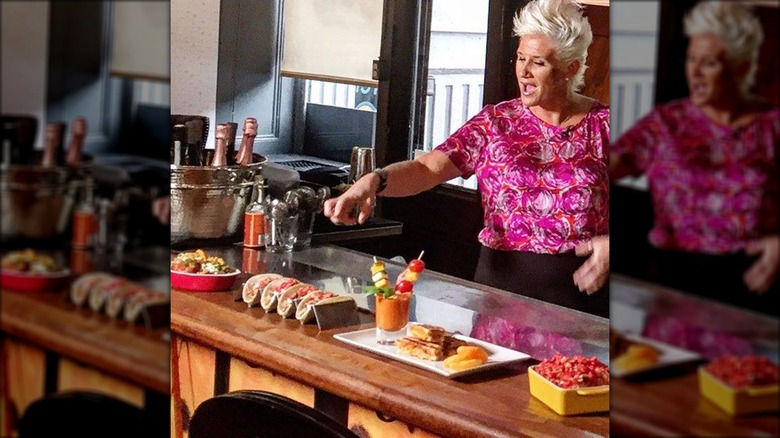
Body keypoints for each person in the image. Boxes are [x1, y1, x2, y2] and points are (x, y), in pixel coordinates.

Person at [325, 0, 610, 317]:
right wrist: (372, 181)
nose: (524, 71)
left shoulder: (606, 126)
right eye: (520, 58)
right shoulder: (495, 123)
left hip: (582, 300)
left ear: (570, 68)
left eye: (538, 63)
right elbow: (426, 168)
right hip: (500, 293)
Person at [610, 1, 779, 315]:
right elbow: (600, 174)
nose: (695, 72)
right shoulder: (667, 123)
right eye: (691, 60)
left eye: (710, 63)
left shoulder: (771, 127)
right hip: (672, 284)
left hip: (755, 288)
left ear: (740, 67)